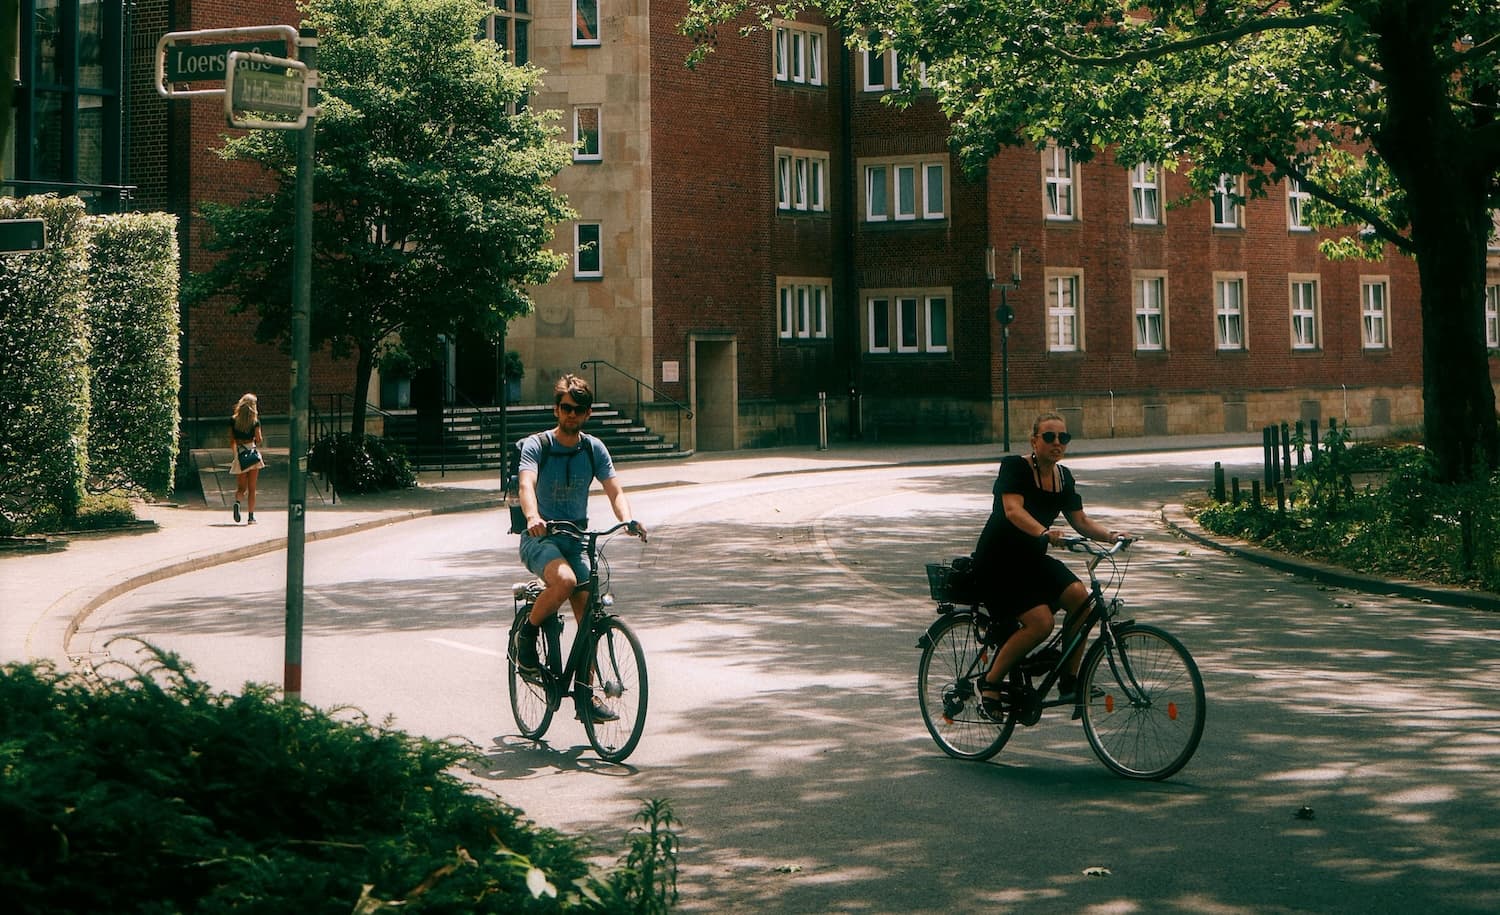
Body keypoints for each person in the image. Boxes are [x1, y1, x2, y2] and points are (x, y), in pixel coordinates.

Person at [972, 412, 1128, 718]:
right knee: (1041, 622)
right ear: (1034, 441)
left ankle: (1069, 682)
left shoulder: (1064, 477)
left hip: (1031, 559)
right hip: (998, 563)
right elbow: (1013, 511)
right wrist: (1043, 532)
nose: (1057, 443)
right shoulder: (1014, 467)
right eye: (1049, 437)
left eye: (1063, 438)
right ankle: (989, 682)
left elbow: (1080, 520)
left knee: (1080, 599)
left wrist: (1112, 536)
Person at [511, 374, 647, 719]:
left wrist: (628, 519)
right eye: (566, 408)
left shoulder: (593, 448)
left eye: (579, 410)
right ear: (557, 409)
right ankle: (526, 640)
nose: (572, 415)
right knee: (566, 582)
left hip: (576, 540)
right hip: (540, 538)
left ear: (588, 414)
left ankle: (585, 699)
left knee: (589, 616)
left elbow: (614, 490)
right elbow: (527, 485)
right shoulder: (537, 445)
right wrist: (532, 517)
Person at [229, 393, 266, 525]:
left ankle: (238, 503)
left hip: (240, 453)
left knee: (241, 488)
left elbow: (232, 440)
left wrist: (235, 455)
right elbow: (259, 439)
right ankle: (251, 517)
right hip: (252, 453)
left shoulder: (233, 420)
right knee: (252, 488)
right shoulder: (255, 421)